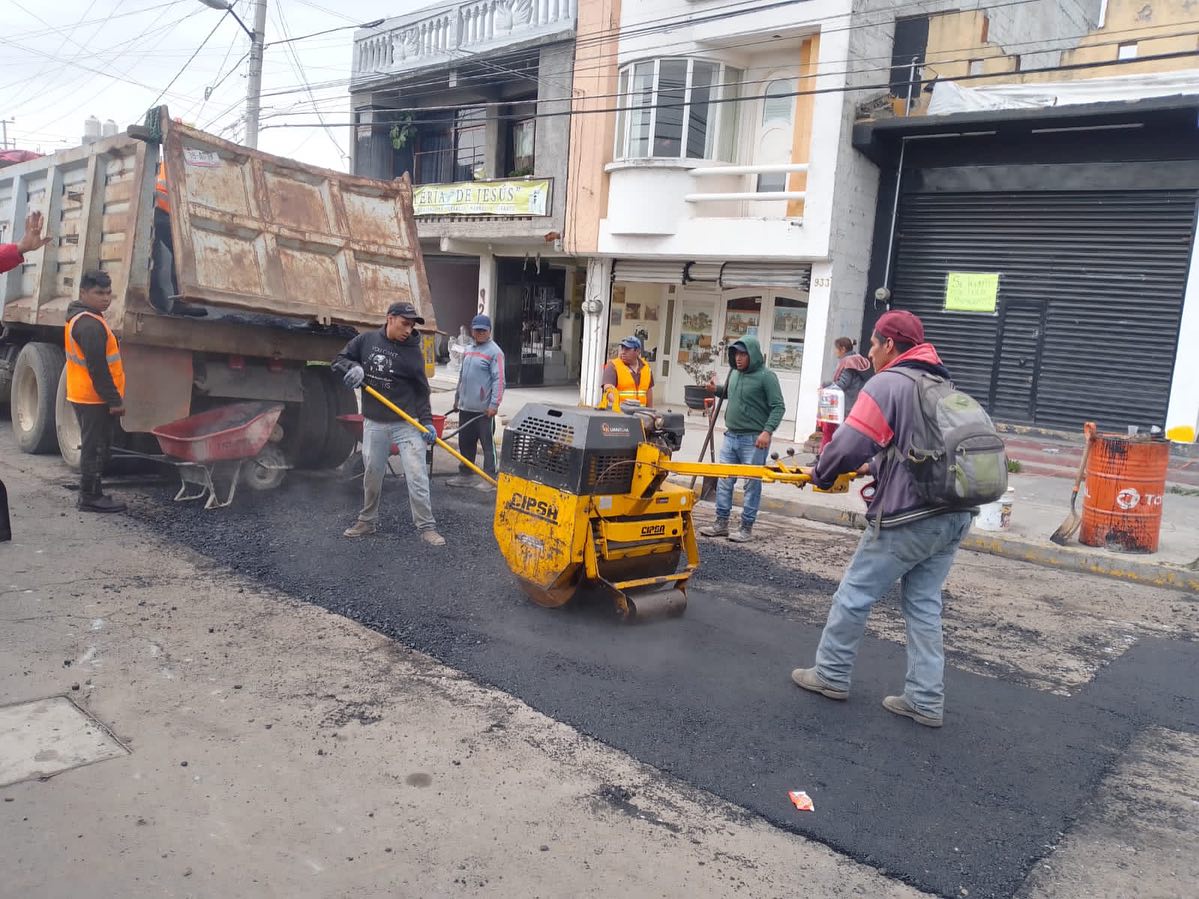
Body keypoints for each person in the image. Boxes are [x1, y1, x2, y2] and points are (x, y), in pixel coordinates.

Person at [791, 310, 973, 729]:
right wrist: (875, 466)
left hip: (912, 514)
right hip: (956, 512)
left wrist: (821, 471)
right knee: (924, 605)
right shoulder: (941, 384)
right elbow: (915, 449)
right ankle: (925, 700)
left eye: (873, 344)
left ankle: (831, 675)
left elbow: (851, 442)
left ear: (889, 344)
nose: (869, 352)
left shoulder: (889, 382)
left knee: (854, 593)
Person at [334, 301, 445, 546]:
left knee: (417, 475)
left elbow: (421, 391)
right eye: (405, 324)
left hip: (406, 423)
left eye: (412, 325)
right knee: (372, 474)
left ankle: (427, 527)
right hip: (374, 422)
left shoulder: (413, 352)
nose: (408, 330)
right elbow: (339, 359)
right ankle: (367, 521)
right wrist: (354, 368)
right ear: (390, 318)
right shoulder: (366, 341)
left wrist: (426, 422)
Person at [699, 336, 786, 543]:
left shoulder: (767, 377)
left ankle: (746, 527)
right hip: (731, 436)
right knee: (724, 481)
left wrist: (767, 431)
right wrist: (716, 390)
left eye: (743, 354)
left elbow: (778, 407)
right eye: (736, 354)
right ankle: (721, 523)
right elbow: (730, 393)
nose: (738, 358)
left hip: (754, 440)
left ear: (753, 355)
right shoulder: (735, 374)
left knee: (751, 484)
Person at [65, 270, 126, 513]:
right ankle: (89, 497)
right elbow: (98, 369)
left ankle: (93, 493)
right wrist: (114, 400)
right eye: (99, 293)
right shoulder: (90, 325)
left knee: (96, 445)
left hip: (86, 394)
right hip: (93, 397)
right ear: (83, 293)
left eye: (109, 292)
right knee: (95, 447)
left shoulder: (86, 317)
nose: (106, 298)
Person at [447, 314, 504, 491]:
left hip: (483, 410)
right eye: (476, 330)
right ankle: (466, 474)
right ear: (472, 330)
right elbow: (462, 376)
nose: (479, 333)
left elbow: (499, 380)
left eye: (483, 331)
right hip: (465, 407)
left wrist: (494, 405)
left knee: (487, 444)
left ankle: (490, 478)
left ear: (489, 332)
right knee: (465, 441)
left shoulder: (495, 352)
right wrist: (457, 399)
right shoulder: (469, 349)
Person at [819, 337, 872, 450]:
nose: (835, 351)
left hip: (846, 405)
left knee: (840, 434)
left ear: (842, 349)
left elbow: (842, 384)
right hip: (854, 402)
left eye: (836, 349)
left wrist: (826, 384)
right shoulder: (857, 360)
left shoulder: (849, 363)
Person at [600, 336, 653, 411]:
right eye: (622, 348)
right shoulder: (613, 366)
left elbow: (649, 391)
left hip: (641, 414)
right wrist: (619, 407)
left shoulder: (646, 368)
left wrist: (650, 412)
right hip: (619, 413)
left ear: (637, 351)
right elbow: (608, 389)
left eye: (627, 349)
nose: (623, 352)